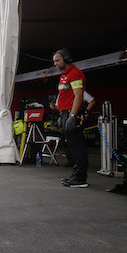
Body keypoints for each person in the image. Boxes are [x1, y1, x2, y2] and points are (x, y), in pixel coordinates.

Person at [52, 48, 89, 188]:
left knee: (78, 147)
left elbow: (78, 95)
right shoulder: (64, 75)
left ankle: (80, 178)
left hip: (72, 114)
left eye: (57, 60)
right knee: (72, 147)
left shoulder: (75, 74)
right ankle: (76, 175)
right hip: (65, 113)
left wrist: (73, 116)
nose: (55, 63)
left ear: (66, 59)